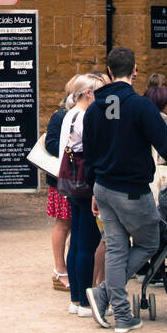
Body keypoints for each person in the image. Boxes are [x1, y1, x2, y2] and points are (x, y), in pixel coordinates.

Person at [83, 46, 167, 332]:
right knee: (150, 243)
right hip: (131, 189)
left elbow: (90, 153)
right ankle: (107, 297)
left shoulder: (95, 109)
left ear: (109, 72)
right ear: (134, 71)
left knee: (117, 249)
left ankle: (119, 312)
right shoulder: (141, 107)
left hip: (104, 187)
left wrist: (93, 189)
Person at [59, 74, 105, 316]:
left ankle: (76, 298)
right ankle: (86, 300)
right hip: (84, 183)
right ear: (88, 93)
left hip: (70, 182)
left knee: (76, 240)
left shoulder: (69, 114)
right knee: (87, 241)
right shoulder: (85, 116)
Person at [44, 78, 76, 291]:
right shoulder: (60, 115)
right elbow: (51, 143)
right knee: (63, 223)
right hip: (62, 179)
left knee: (76, 225)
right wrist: (73, 148)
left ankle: (70, 269)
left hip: (78, 178)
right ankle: (59, 269)